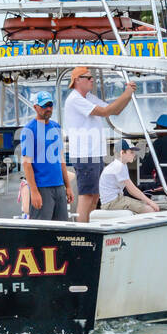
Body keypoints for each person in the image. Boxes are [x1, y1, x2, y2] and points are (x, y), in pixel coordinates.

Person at [63, 65, 137, 223]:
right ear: (77, 80)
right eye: (89, 78)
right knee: (87, 196)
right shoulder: (75, 99)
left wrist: (128, 95)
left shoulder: (88, 97)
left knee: (95, 195)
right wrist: (126, 93)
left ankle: (88, 227)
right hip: (85, 155)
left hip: (94, 154)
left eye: (92, 77)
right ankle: (82, 230)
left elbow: (113, 110)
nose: (92, 80)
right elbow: (105, 112)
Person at [20, 91, 74, 221]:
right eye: (44, 106)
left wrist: (68, 187)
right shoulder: (29, 130)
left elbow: (61, 160)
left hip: (59, 187)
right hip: (42, 188)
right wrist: (34, 191)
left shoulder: (56, 127)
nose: (48, 108)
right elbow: (27, 164)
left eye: (50, 105)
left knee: (61, 231)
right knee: (42, 233)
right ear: (35, 107)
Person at [99, 141, 160, 215]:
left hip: (114, 201)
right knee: (150, 209)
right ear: (122, 153)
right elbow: (131, 189)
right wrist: (150, 202)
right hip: (112, 203)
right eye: (131, 152)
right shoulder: (119, 166)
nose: (134, 155)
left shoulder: (120, 165)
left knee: (141, 209)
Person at [138, 113, 167, 196]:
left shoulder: (159, 143)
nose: (155, 130)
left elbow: (146, 169)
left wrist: (143, 158)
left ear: (162, 129)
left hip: (165, 187)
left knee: (131, 192)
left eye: (156, 127)